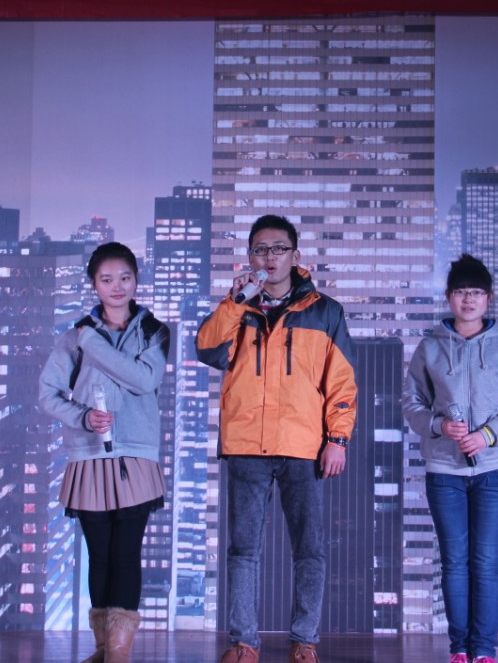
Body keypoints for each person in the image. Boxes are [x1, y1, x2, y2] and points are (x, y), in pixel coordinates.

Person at [197, 214, 357, 663]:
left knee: (309, 550)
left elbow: (342, 381)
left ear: (295, 255)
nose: (270, 257)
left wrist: (338, 439)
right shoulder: (238, 309)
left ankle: (304, 642)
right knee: (242, 551)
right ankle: (244, 642)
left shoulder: (325, 311)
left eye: (278, 248)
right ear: (250, 257)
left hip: (303, 445)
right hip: (246, 444)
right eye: (261, 250)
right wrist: (234, 301)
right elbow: (206, 349)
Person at [38, 242, 170, 663]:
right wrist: (81, 417)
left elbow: (144, 380)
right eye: (107, 279)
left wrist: (93, 343)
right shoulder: (73, 338)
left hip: (135, 456)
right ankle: (104, 649)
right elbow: (47, 394)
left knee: (127, 553)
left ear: (136, 280)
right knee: (100, 555)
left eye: (125, 277)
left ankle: (118, 653)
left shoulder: (153, 331)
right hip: (89, 456)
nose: (117, 286)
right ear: (94, 284)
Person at [402, 254, 498, 663]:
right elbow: (412, 404)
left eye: (476, 292)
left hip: (495, 470)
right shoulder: (430, 347)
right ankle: (459, 648)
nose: (469, 299)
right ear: (449, 297)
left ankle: (484, 651)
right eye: (461, 292)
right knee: (455, 563)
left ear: (488, 298)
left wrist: (487, 436)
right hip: (445, 471)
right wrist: (440, 425)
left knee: (487, 563)